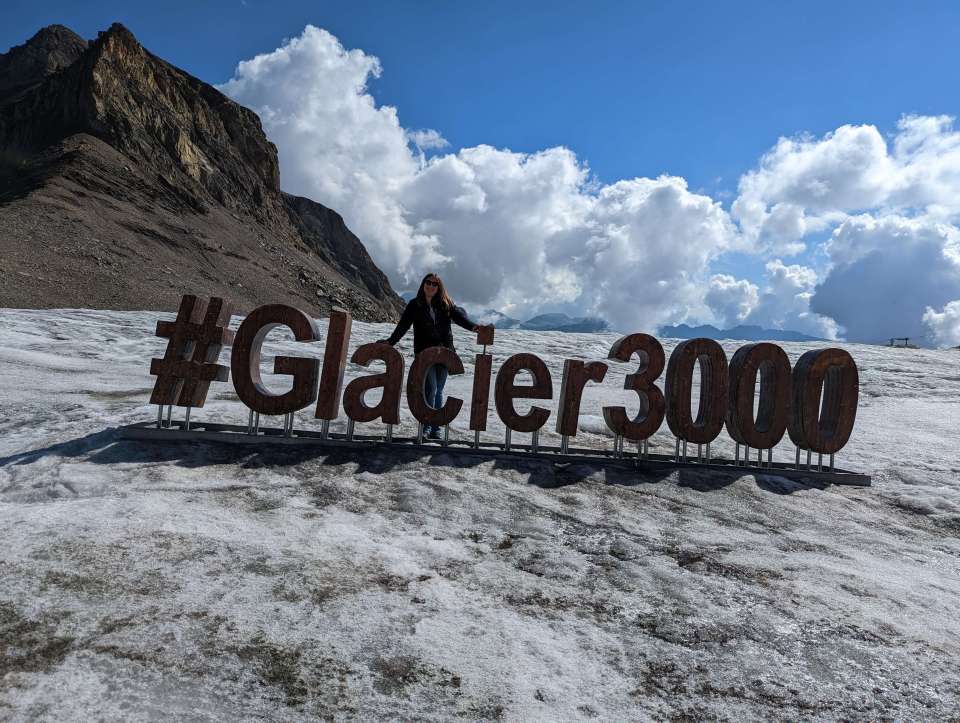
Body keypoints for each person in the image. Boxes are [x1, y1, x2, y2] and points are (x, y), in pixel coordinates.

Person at [378, 273, 486, 440]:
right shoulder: (415, 305)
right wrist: (390, 342)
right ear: (423, 285)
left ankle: (436, 427)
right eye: (428, 283)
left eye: (434, 284)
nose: (430, 286)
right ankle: (428, 426)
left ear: (439, 287)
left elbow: (460, 319)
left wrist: (474, 328)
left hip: (445, 354)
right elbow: (403, 326)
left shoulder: (446, 305)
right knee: (431, 388)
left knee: (438, 390)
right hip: (424, 354)